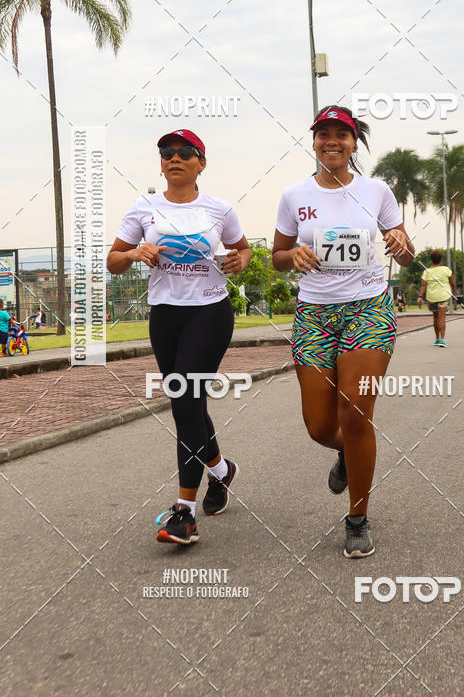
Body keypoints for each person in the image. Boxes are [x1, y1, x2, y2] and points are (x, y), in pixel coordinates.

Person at [272, 105, 414, 559]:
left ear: (355, 143)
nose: (332, 141)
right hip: (315, 313)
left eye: (341, 135)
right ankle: (348, 454)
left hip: (369, 308)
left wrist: (400, 244)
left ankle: (357, 519)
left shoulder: (377, 191)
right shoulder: (294, 195)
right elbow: (277, 255)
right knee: (319, 426)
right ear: (314, 142)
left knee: (355, 414)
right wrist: (292, 254)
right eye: (323, 134)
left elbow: (407, 253)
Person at [107, 129, 250, 546]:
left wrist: (238, 261)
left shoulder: (219, 209)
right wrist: (135, 253)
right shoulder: (144, 207)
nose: (175, 157)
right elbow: (115, 260)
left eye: (186, 152)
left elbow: (242, 250)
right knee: (187, 404)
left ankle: (183, 513)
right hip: (165, 315)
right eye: (167, 152)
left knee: (186, 399)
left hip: (209, 312)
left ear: (201, 163)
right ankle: (221, 473)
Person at [417, 250, 456, 347]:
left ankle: (437, 338)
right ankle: (442, 339)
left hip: (431, 298)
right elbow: (452, 283)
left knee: (435, 317)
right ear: (441, 259)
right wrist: (454, 293)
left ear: (431, 260)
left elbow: (423, 284)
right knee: (441, 317)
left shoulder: (427, 271)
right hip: (443, 297)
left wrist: (420, 297)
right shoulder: (446, 269)